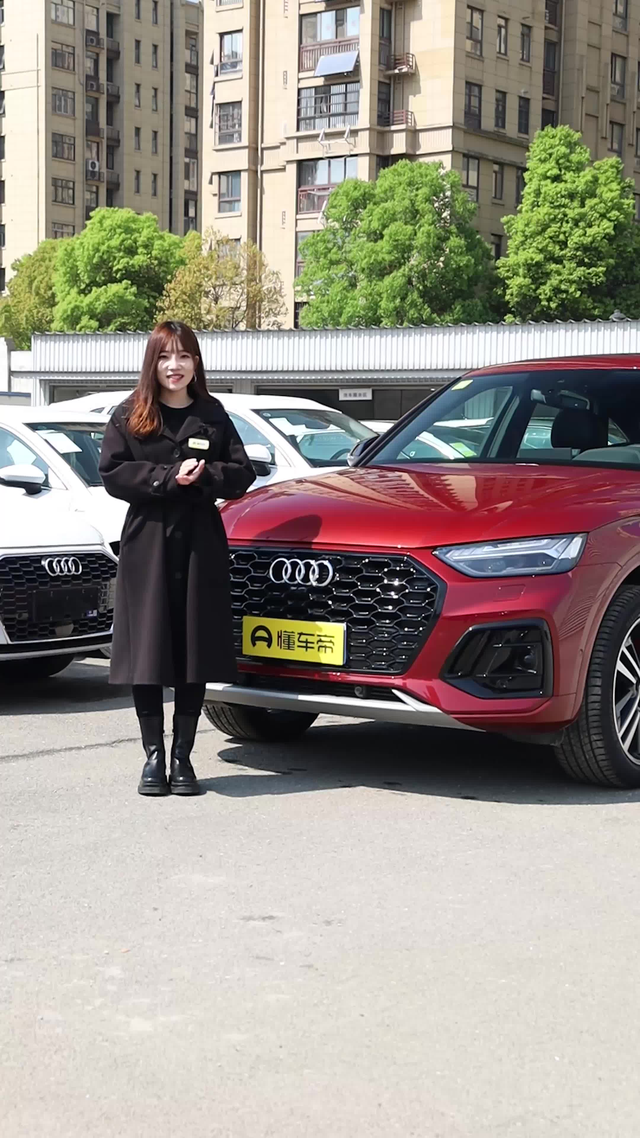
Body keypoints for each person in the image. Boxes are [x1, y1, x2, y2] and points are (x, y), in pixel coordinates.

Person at [99, 321, 256, 797]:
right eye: (166, 356)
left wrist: (205, 477)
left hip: (199, 540)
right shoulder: (130, 413)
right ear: (153, 363)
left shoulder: (212, 414)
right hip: (147, 539)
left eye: (184, 356)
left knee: (194, 648)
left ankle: (183, 758)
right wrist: (167, 478)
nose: (175, 366)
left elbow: (242, 473)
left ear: (195, 363)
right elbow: (113, 473)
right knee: (147, 649)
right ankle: (153, 758)